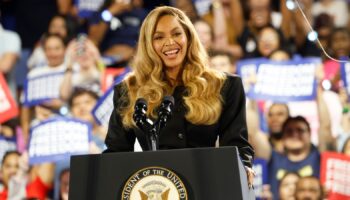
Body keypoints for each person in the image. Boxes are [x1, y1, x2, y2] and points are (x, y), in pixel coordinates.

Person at [103, 6, 255, 185]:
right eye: (159, 37)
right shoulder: (129, 90)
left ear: (189, 37)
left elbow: (236, 146)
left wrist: (244, 166)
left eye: (176, 34)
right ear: (147, 44)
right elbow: (116, 152)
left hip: (207, 186)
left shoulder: (225, 86)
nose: (169, 42)